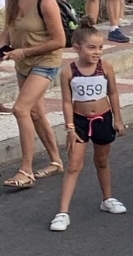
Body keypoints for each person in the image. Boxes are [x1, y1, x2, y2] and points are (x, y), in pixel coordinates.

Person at [49, 18, 127, 231]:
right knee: (74, 165)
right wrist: (70, 127)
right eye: (91, 48)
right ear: (77, 48)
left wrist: (118, 119)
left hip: (103, 117)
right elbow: (67, 101)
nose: (97, 52)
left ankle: (107, 198)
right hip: (80, 121)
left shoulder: (106, 67)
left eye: (100, 48)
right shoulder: (68, 71)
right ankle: (63, 212)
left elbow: (113, 92)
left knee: (102, 161)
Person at [1, 0, 66, 189]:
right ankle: (56, 161)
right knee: (36, 113)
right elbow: (7, 31)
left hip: (45, 60)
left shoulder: (46, 0)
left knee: (21, 109)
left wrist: (25, 52)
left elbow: (59, 40)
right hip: (24, 63)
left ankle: (25, 170)